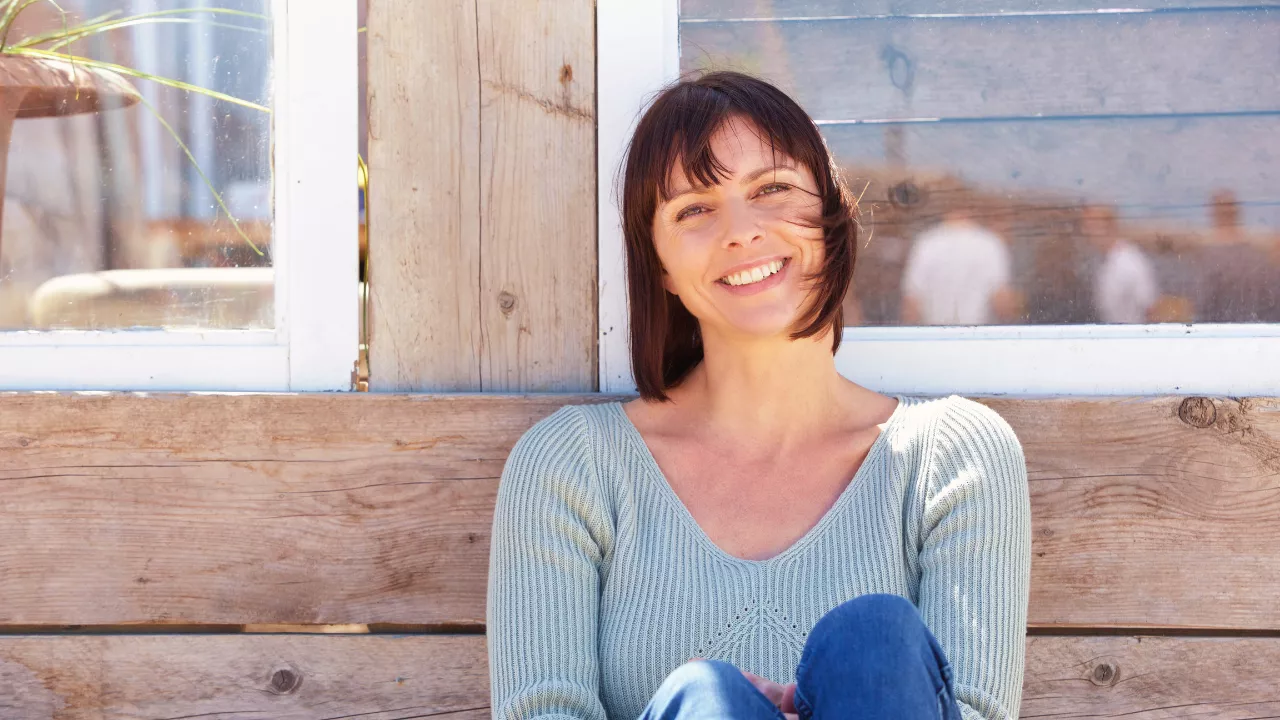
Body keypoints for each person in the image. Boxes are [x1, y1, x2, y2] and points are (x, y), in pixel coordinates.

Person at [487, 72, 1031, 720]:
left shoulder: (953, 459)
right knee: (706, 703)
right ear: (658, 263)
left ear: (832, 218)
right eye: (694, 209)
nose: (741, 231)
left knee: (874, 645)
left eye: (771, 189)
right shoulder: (570, 467)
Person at [900, 209, 1020, 326]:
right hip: (976, 336)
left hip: (934, 336)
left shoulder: (927, 242)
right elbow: (1001, 301)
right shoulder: (989, 243)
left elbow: (912, 303)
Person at [1081, 205, 1160, 324]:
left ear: (1109, 227)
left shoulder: (1131, 262)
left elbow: (1151, 308)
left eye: (1091, 227)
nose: (1085, 232)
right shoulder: (1101, 262)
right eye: (1085, 227)